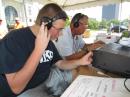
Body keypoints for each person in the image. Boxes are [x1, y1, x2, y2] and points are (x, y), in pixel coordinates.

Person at [0, 3, 93, 97]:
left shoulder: (48, 40)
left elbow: (60, 63)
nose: (61, 34)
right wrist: (38, 50)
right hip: (25, 91)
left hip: (45, 81)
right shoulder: (13, 40)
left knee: (78, 75)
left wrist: (80, 61)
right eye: (59, 29)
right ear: (45, 24)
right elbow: (16, 88)